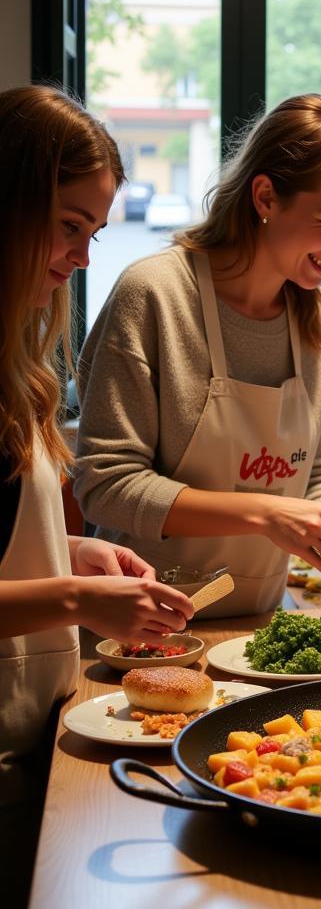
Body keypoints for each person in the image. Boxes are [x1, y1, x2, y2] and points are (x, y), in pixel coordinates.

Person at [75, 94, 321, 625]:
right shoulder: (154, 294)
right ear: (265, 196)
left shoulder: (319, 320)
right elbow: (106, 485)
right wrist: (266, 513)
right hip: (144, 630)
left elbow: (312, 476)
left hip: (258, 627)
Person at [0, 84, 194, 905]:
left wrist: (68, 551)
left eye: (95, 232)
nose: (82, 257)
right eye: (70, 225)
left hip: (30, 727)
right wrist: (79, 595)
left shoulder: (17, 366)